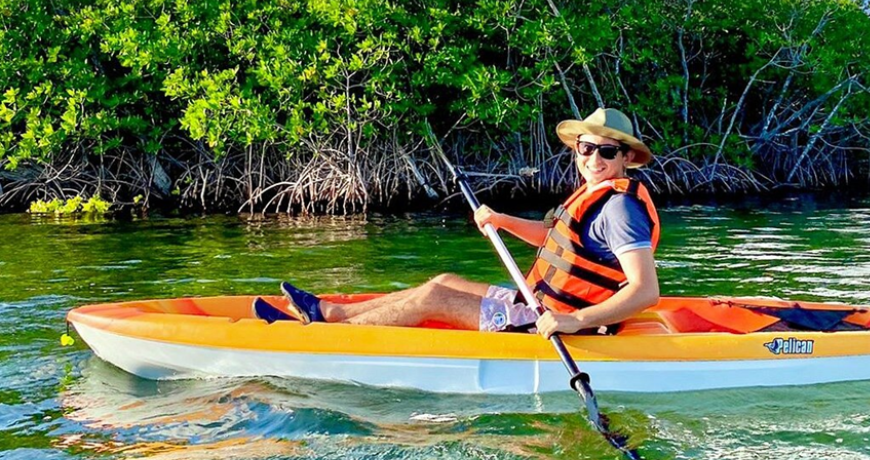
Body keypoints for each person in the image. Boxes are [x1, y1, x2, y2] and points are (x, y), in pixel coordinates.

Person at [252, 107, 661, 338]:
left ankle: (323, 338)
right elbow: (553, 239)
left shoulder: (619, 210)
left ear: (626, 157)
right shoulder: (591, 195)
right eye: (586, 148)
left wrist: (575, 320)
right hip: (537, 302)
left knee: (434, 299)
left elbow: (646, 291)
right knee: (444, 280)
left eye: (607, 152)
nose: (594, 159)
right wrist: (501, 220)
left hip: (563, 325)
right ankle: (332, 313)